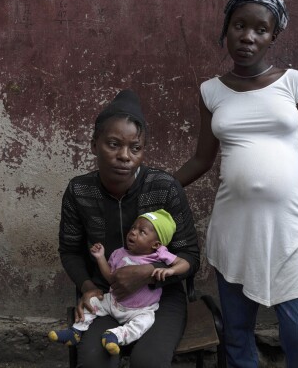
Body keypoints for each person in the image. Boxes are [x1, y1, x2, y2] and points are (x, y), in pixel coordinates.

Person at [174, 0, 298, 368]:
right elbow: (201, 159)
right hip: (234, 232)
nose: (248, 36)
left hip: (291, 233)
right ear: (226, 29)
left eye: (260, 29)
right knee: (237, 337)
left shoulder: (296, 84)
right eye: (239, 26)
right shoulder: (211, 92)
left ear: (273, 36)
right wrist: (152, 184)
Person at [58, 89, 200, 368]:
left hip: (160, 299)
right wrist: (87, 287)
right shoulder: (80, 191)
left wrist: (147, 274)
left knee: (148, 361)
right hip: (107, 296)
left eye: (135, 148)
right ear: (93, 144)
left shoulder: (163, 187)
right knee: (95, 361)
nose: (125, 156)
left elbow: (191, 256)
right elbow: (70, 250)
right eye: (113, 144)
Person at [49, 209, 190, 355]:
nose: (133, 232)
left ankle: (115, 336)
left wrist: (171, 270)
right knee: (91, 302)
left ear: (156, 244)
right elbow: (110, 277)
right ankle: (76, 331)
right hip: (114, 302)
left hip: (141, 310)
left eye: (142, 232)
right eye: (133, 228)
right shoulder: (119, 253)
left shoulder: (159, 255)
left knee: (144, 323)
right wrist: (100, 257)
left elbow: (185, 263)